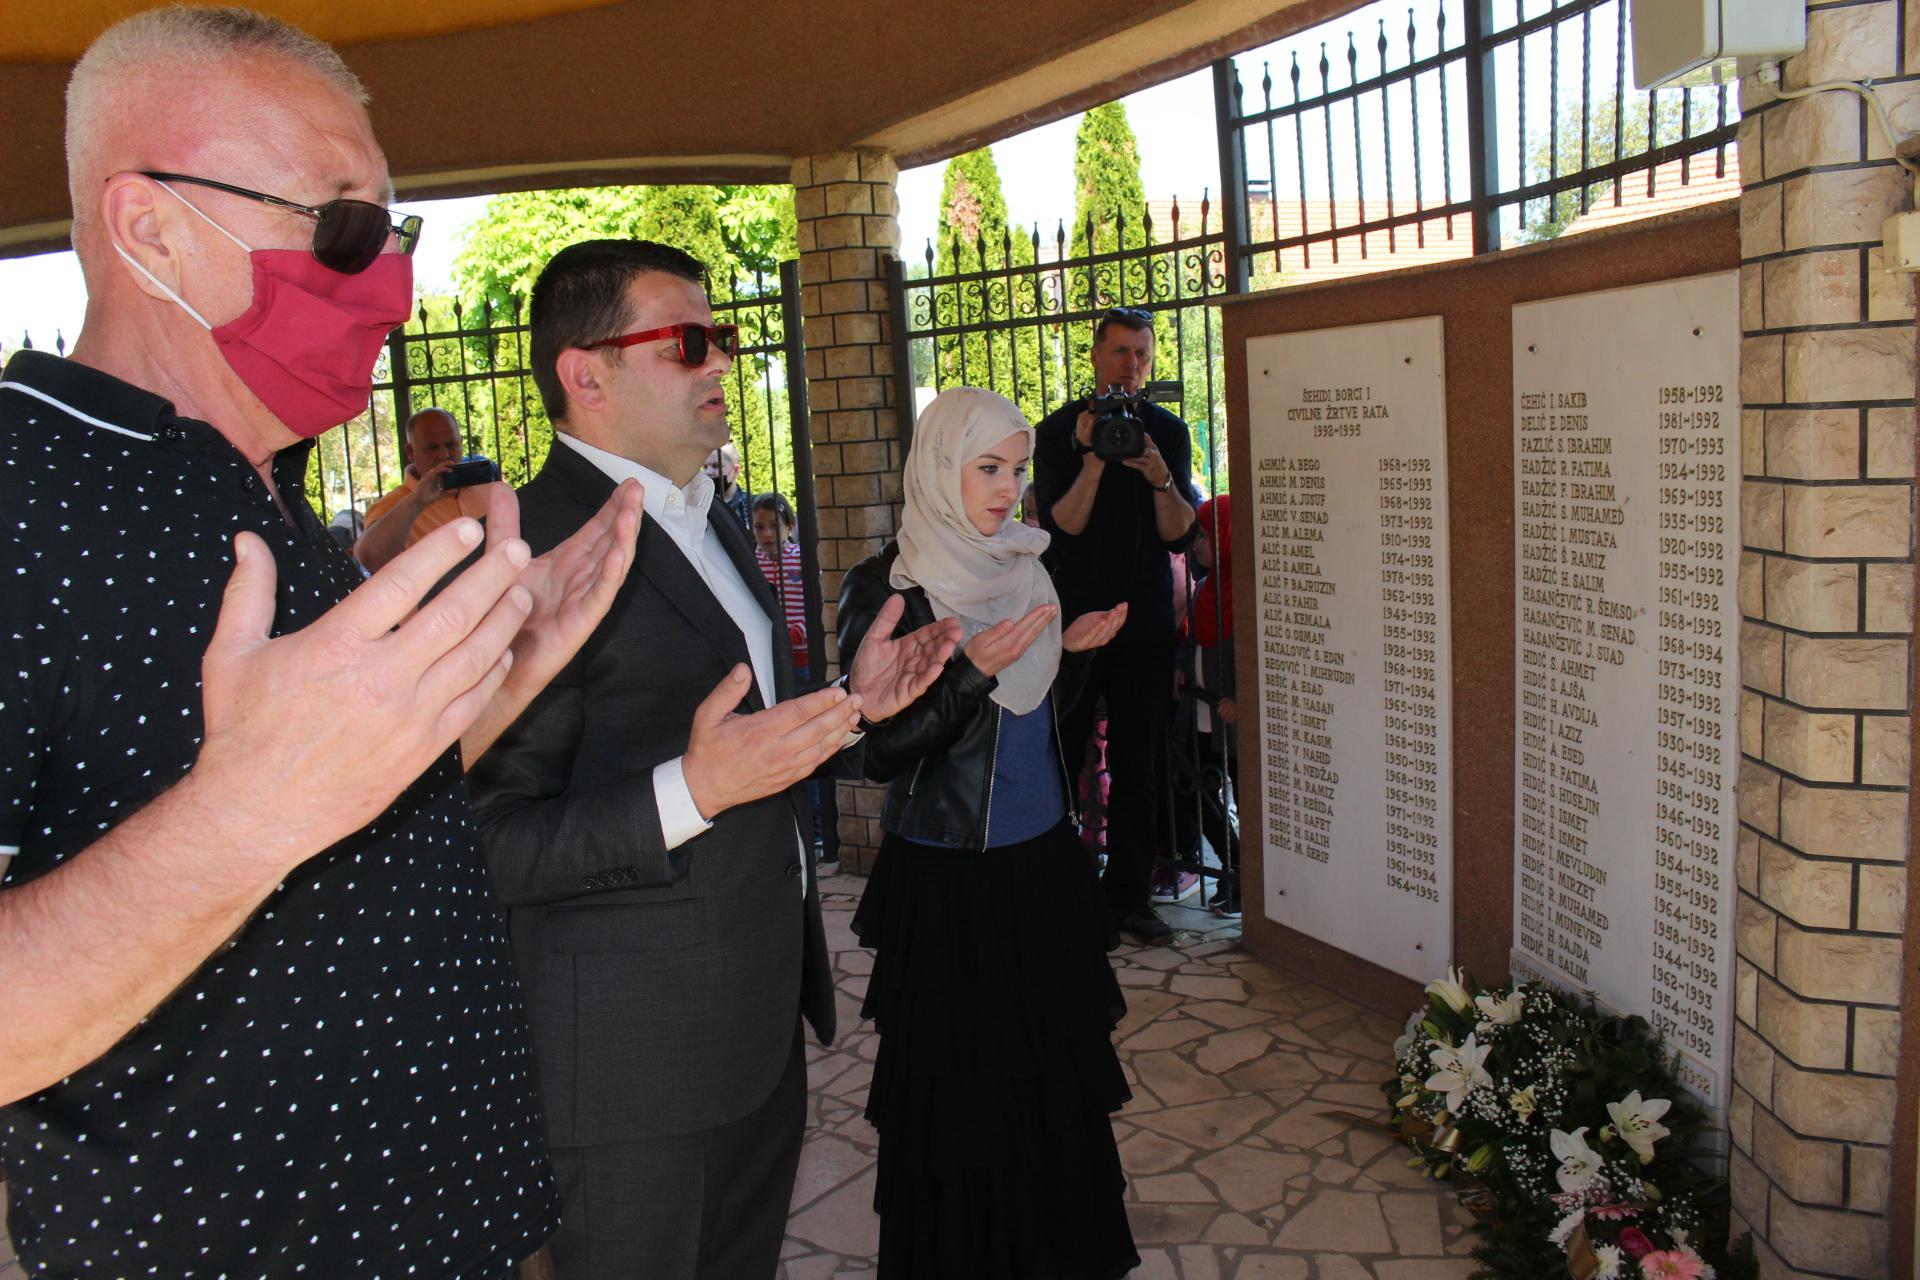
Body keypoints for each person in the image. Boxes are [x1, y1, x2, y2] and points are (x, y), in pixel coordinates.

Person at [0, 8, 644, 1278]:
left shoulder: (257, 484)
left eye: (393, 233)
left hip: (471, 1221)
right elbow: (254, 810)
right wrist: (243, 817)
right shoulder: (23, 490)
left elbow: (333, 806)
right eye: (342, 227)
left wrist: (495, 677)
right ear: (149, 226)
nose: (390, 282)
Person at [466, 238, 960, 1280]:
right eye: (688, 341)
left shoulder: (714, 518)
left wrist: (850, 707)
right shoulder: (528, 553)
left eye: (723, 338)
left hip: (752, 1033)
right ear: (584, 371)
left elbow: (741, 749)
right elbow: (480, 843)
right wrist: (685, 793)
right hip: (626, 1076)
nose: (721, 363)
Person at [837, 386, 1138, 1280]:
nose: (1010, 489)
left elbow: (1035, 723)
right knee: (963, 1100)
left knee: (1051, 1081)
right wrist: (967, 672)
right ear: (939, 466)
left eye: (1017, 469)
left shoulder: (1024, 567)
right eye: (988, 468)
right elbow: (877, 752)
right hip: (949, 881)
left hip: (1040, 863)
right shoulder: (889, 585)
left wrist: (1071, 662)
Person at [1031, 307, 1197, 944]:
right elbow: (1062, 526)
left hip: (1147, 625)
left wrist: (1159, 478)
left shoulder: (1169, 434)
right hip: (1073, 627)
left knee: (1140, 767)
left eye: (1142, 355)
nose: (1131, 367)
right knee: (1063, 757)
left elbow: (1180, 535)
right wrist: (1094, 460)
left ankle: (1128, 898)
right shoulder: (1057, 433)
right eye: (1121, 352)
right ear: (1096, 357)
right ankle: (1064, 892)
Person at [1182, 494, 1241, 917]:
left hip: (1233, 721)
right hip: (1199, 711)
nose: (1198, 545)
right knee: (1195, 790)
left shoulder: (1248, 594)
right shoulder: (1206, 587)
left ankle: (1248, 879)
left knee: (1244, 796)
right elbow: (1191, 638)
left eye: (1204, 535)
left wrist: (1243, 701)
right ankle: (1232, 866)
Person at [356, 406, 500, 570]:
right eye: (432, 448)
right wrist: (416, 502)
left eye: (451, 445)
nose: (444, 454)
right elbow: (370, 558)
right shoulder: (394, 505)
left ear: (461, 443)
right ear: (411, 452)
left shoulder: (487, 488)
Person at [753, 490, 811, 681]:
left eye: (774, 526)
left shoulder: (803, 558)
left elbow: (818, 602)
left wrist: (798, 632)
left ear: (790, 526)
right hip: (767, 657)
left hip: (804, 657)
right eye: (759, 527)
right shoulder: (751, 562)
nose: (767, 534)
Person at [704, 440, 751, 529]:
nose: (708, 472)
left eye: (716, 466)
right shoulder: (699, 507)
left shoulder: (752, 506)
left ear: (735, 471)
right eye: (705, 467)